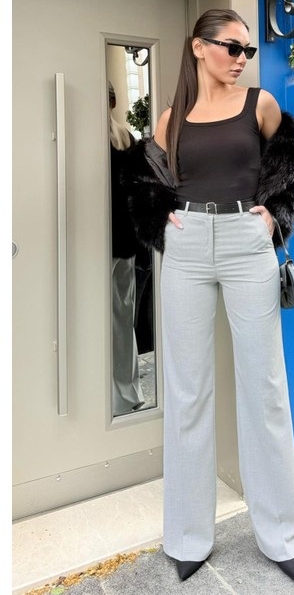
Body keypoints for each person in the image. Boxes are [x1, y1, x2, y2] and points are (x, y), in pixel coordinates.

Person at [121, 9, 294, 582]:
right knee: (187, 391)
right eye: (232, 47)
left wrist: (275, 216)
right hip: (187, 247)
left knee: (265, 387)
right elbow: (140, 182)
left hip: (245, 242)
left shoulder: (258, 104)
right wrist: (160, 222)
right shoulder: (172, 120)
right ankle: (189, 537)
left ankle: (281, 533)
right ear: (198, 47)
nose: (241, 58)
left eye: (247, 50)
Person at [109, 82, 145, 416]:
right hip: (125, 242)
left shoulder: (92, 140)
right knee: (122, 317)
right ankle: (127, 392)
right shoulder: (127, 138)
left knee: (104, 318)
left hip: (104, 242)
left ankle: (112, 396)